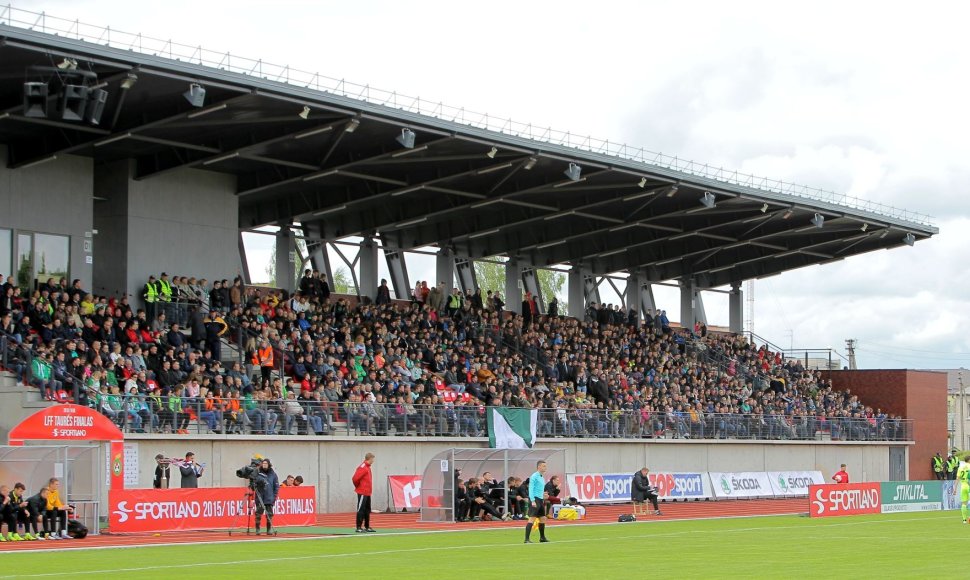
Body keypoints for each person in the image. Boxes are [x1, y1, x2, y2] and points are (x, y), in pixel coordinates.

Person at [524, 459, 549, 543]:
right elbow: (531, 489)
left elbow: (538, 489)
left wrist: (543, 495)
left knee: (543, 518)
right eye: (544, 466)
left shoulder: (541, 477)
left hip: (540, 499)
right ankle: (526, 539)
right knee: (532, 518)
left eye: (545, 466)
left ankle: (542, 537)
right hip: (535, 499)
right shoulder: (534, 476)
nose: (545, 467)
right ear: (539, 467)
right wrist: (533, 500)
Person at [254, 458, 280, 536]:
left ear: (269, 465)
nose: (264, 465)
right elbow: (254, 484)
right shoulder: (258, 473)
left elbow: (276, 487)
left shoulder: (273, 474)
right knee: (258, 514)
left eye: (266, 463)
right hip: (260, 497)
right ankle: (258, 529)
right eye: (263, 463)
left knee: (269, 515)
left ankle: (269, 529)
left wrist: (274, 497)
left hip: (269, 497)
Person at [352, 452, 376, 533]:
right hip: (362, 492)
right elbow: (355, 478)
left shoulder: (368, 467)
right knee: (361, 509)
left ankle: (367, 526)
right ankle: (358, 527)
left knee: (367, 510)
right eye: (373, 459)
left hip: (368, 492)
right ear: (370, 459)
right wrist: (359, 487)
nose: (373, 461)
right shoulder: (363, 467)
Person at [957, 458, 970, 524]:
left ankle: (964, 520)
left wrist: (955, 488)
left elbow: (957, 478)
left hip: (963, 486)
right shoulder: (969, 466)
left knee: (964, 503)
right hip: (968, 484)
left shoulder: (960, 467)